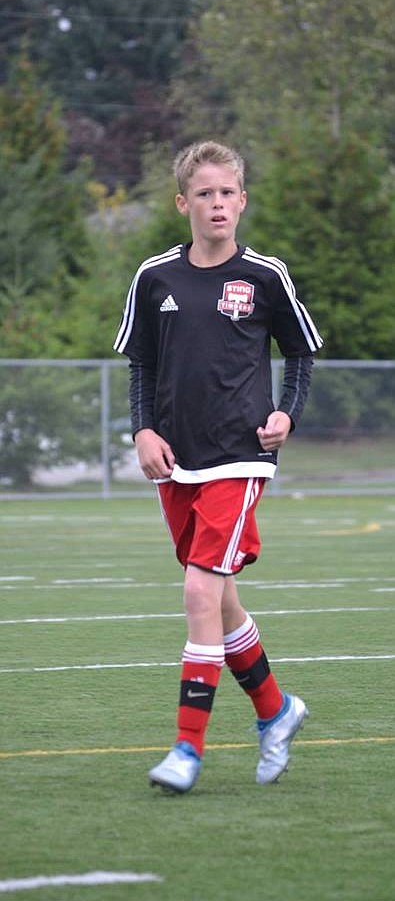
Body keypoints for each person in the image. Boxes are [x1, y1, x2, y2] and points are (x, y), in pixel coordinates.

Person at [114, 140, 323, 793]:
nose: (217, 204)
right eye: (203, 193)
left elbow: (301, 353)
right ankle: (274, 709)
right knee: (222, 599)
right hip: (177, 461)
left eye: (227, 192)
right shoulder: (155, 278)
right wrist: (141, 430)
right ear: (183, 204)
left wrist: (286, 413)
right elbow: (141, 364)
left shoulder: (265, 276)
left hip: (240, 457)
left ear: (242, 200)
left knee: (199, 593)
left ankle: (186, 749)